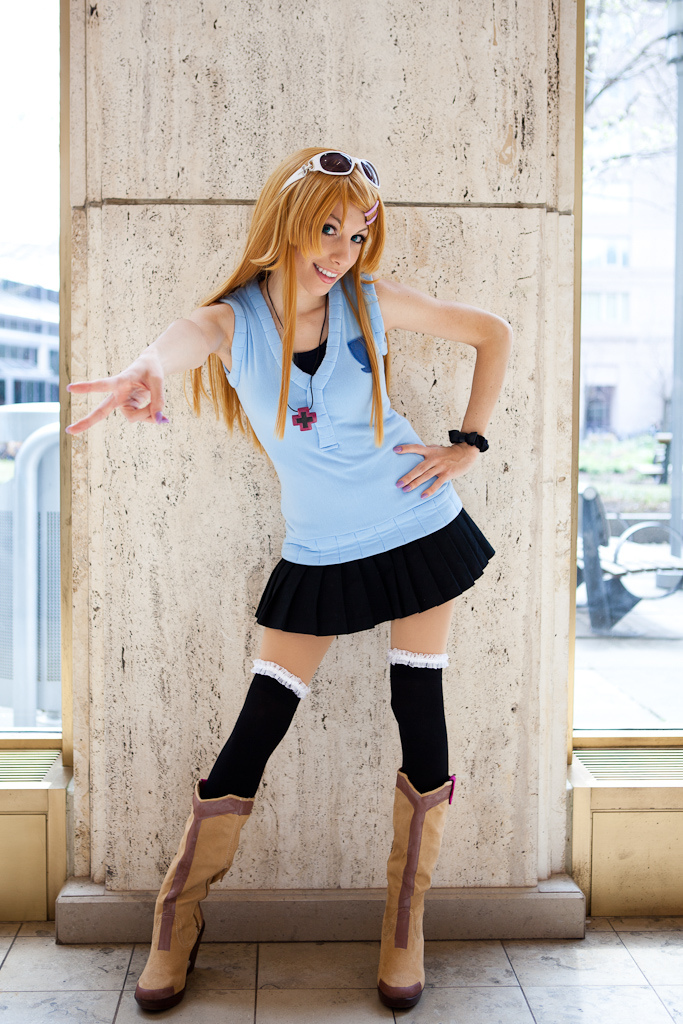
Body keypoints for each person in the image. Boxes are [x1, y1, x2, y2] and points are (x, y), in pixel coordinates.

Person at [66, 147, 513, 1012]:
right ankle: (175, 919)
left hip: (418, 527)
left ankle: (404, 924)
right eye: (328, 228)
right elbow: (184, 338)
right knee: (258, 726)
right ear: (286, 223)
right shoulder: (234, 322)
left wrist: (468, 443)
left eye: (358, 233)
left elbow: (490, 331)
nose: (342, 249)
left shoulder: (367, 302)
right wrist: (145, 368)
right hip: (319, 552)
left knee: (418, 710)